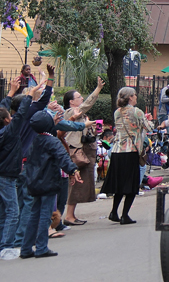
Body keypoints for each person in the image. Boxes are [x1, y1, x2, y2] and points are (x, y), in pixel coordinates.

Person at [0, 77, 42, 261]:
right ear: (6, 120)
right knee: (13, 211)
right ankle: (6, 247)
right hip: (6, 176)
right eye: (8, 117)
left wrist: (11, 93)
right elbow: (20, 115)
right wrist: (28, 95)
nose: (12, 118)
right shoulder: (10, 131)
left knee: (2, 212)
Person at [20, 111, 82, 259]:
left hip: (34, 182)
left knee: (34, 214)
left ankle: (26, 248)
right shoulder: (52, 141)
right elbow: (62, 157)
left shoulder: (34, 141)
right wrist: (73, 170)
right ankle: (41, 247)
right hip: (48, 182)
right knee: (45, 215)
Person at [101, 87, 153, 225]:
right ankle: (125, 215)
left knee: (119, 183)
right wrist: (148, 120)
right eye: (135, 95)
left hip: (118, 151)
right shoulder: (137, 112)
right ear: (130, 97)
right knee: (131, 184)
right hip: (131, 151)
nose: (136, 97)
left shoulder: (117, 112)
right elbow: (149, 128)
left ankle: (114, 211)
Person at [62, 77, 104, 226]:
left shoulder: (81, 115)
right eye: (79, 97)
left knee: (80, 184)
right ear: (71, 102)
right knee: (75, 182)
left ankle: (71, 214)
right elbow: (87, 105)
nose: (81, 99)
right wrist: (98, 89)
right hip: (76, 151)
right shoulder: (69, 113)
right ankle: (68, 215)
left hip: (84, 149)